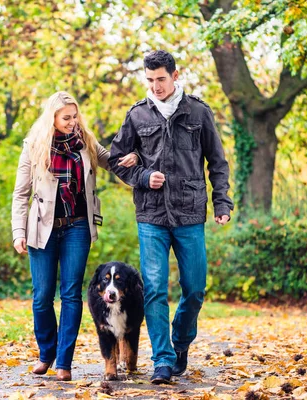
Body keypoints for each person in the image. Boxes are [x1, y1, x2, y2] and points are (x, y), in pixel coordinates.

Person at [108, 50, 234, 384]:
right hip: (150, 215)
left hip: (190, 213)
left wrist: (222, 203)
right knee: (154, 290)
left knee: (194, 290)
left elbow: (218, 162)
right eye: (149, 80)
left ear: (175, 76)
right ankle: (162, 360)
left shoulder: (198, 111)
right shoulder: (137, 115)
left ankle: (180, 343)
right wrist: (143, 177)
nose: (155, 86)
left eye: (161, 79)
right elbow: (116, 159)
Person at [11, 91, 137, 381]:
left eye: (74, 116)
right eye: (66, 117)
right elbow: (20, 193)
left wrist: (131, 159)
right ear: (52, 118)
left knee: (70, 294)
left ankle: (64, 363)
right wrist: (18, 230)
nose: (72, 122)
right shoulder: (34, 146)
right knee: (42, 296)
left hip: (77, 226)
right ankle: (46, 353)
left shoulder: (87, 141)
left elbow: (111, 161)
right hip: (42, 227)